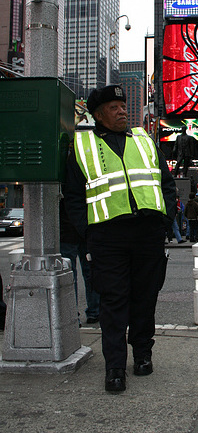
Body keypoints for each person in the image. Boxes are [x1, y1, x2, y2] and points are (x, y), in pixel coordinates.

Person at [64, 85, 176, 393]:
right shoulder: (82, 145)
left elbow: (166, 184)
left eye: (123, 106)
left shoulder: (144, 140)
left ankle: (142, 355)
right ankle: (114, 367)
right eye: (114, 108)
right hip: (107, 236)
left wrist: (166, 220)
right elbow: (74, 196)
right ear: (98, 115)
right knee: (113, 303)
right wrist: (88, 231)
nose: (122, 111)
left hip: (147, 232)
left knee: (144, 299)